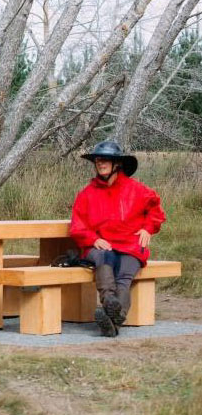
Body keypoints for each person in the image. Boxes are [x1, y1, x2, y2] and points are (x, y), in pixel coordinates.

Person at [70, 141, 166, 337]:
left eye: (106, 159)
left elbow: (156, 210)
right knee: (104, 258)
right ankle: (111, 306)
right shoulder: (86, 194)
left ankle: (112, 319)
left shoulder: (137, 189)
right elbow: (77, 225)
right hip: (101, 245)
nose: (100, 163)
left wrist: (148, 228)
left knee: (124, 276)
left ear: (117, 164)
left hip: (131, 244)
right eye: (98, 160)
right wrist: (92, 238)